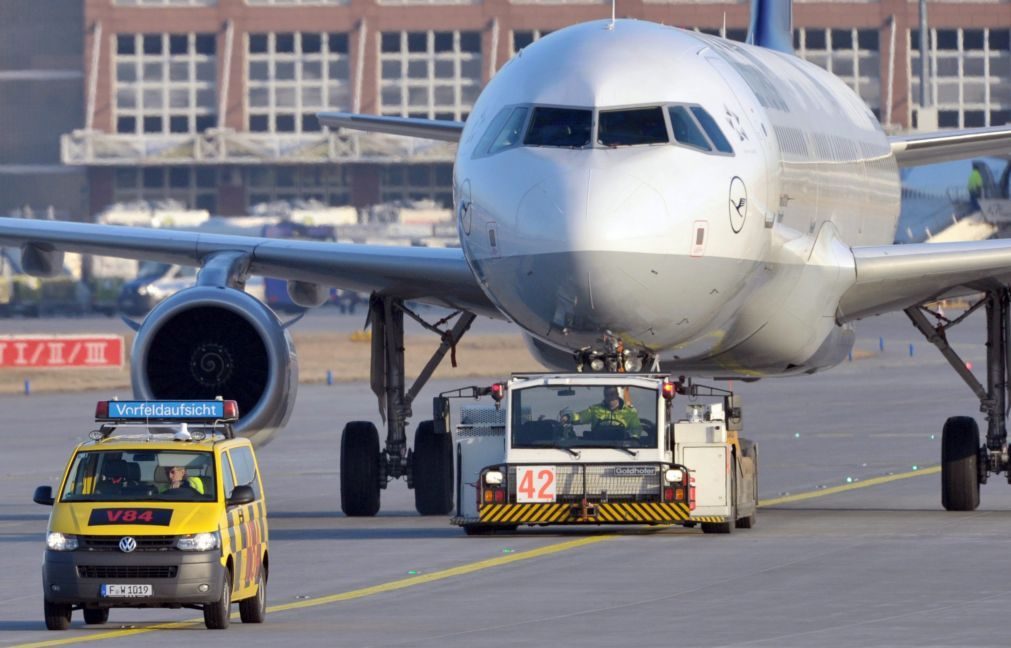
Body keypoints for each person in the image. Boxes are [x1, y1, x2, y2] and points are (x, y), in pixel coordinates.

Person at [562, 386, 642, 438]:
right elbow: (580, 417)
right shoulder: (595, 410)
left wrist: (633, 440)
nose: (609, 397)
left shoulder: (630, 412)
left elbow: (636, 429)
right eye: (607, 395)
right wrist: (568, 417)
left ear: (617, 394)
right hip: (597, 447)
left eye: (612, 394)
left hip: (621, 449)